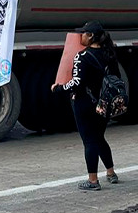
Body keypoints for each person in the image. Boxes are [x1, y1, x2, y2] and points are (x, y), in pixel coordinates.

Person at [51, 21, 120, 191]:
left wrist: (59, 88)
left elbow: (76, 83)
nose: (80, 36)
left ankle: (93, 181)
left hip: (85, 103)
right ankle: (111, 173)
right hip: (104, 103)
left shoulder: (82, 56)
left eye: (83, 33)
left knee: (89, 141)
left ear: (90, 36)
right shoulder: (109, 53)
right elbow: (116, 77)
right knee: (99, 137)